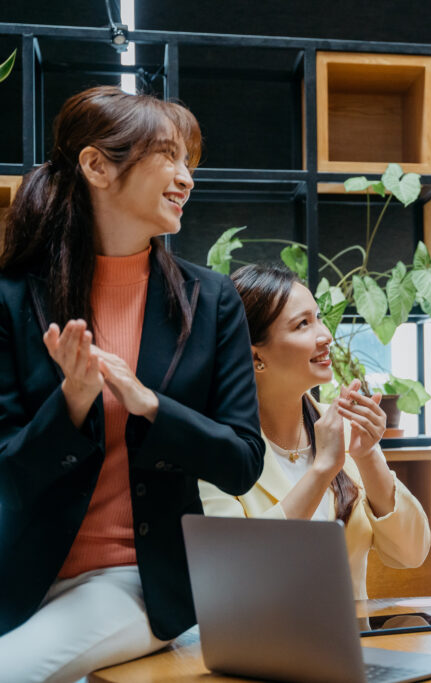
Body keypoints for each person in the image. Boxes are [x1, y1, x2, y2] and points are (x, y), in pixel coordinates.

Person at [0, 86, 264, 682]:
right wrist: (71, 402)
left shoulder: (212, 300)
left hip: (139, 582)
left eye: (189, 162)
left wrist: (151, 407)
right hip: (20, 576)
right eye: (168, 157)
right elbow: (7, 479)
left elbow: (242, 461)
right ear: (97, 166)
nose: (186, 178)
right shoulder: (13, 298)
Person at [199, 263, 429, 598]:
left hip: (353, 645)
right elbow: (240, 572)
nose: (325, 335)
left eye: (318, 317)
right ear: (253, 355)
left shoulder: (340, 430)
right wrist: (322, 471)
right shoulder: (211, 448)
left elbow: (411, 554)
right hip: (258, 647)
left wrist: (367, 456)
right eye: (302, 324)